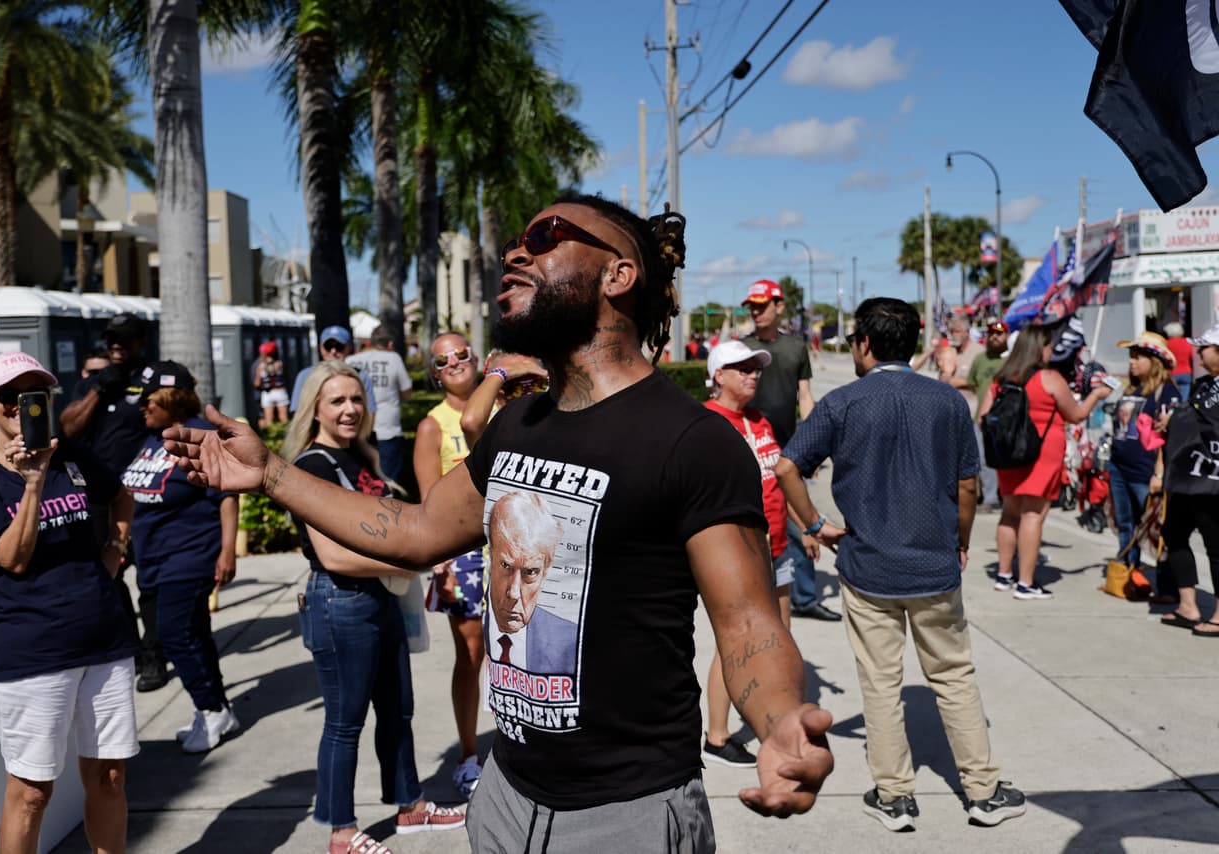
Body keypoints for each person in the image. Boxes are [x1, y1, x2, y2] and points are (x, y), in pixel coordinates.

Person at [164, 194, 834, 851]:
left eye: (546, 236)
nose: (516, 250)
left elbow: (748, 621)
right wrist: (272, 475)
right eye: (518, 239)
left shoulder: (691, 440)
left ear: (617, 274)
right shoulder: (519, 422)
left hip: (627, 814)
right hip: (506, 798)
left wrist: (778, 722)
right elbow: (419, 529)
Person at [777, 297, 1025, 831]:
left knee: (880, 683)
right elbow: (966, 486)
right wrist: (959, 543)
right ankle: (982, 791)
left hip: (868, 568)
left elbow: (786, 466)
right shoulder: (947, 402)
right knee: (955, 675)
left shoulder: (843, 403)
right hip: (934, 563)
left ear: (864, 344)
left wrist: (815, 525)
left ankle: (894, 796)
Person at [0, 352, 139, 853]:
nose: (23, 406)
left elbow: (121, 495)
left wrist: (115, 551)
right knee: (31, 793)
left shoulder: (69, 454)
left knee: (111, 777)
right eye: (11, 397)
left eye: (36, 395)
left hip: (104, 638)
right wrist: (32, 483)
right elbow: (11, 557)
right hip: (33, 652)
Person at [283, 361, 464, 853]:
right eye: (337, 401)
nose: (349, 409)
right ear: (314, 408)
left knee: (397, 709)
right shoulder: (311, 468)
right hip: (340, 603)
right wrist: (413, 563)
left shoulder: (362, 458)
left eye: (356, 399)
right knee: (345, 723)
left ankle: (410, 806)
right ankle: (341, 832)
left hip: (380, 599)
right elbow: (334, 554)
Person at [700, 339, 819, 770]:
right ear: (719, 376)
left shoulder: (759, 420)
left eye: (755, 368)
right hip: (738, 553)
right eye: (742, 368)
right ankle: (716, 735)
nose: (753, 375)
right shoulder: (708, 423)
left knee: (779, 639)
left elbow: (777, 479)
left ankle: (777, 724)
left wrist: (804, 527)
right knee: (735, 646)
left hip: (778, 546)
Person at [123, 361, 241, 753]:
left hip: (190, 555)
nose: (141, 407)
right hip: (156, 559)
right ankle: (220, 708)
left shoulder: (200, 436)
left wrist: (227, 551)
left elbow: (226, 495)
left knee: (174, 634)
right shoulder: (154, 437)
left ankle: (209, 709)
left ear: (171, 398)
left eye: (148, 400)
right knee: (196, 634)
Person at [59, 311, 166, 692]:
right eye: (112, 340)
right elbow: (67, 428)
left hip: (145, 494)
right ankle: (134, 648)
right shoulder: (94, 383)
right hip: (101, 496)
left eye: (125, 340)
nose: (117, 346)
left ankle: (155, 654)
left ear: (140, 342)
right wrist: (98, 388)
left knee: (149, 578)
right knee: (110, 573)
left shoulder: (151, 381)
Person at [412, 331, 490, 799]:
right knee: (472, 655)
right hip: (463, 555)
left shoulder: (504, 406)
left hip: (512, 546)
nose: (455, 362)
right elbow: (429, 504)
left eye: (462, 354)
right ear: (435, 373)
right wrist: (439, 561)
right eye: (444, 360)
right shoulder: (432, 425)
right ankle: (467, 754)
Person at [980, 325, 1112, 599]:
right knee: (1033, 516)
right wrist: (1097, 395)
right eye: (1050, 346)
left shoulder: (1001, 378)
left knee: (1010, 512)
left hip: (1008, 454)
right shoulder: (1049, 378)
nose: (1052, 351)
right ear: (1039, 348)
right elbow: (1075, 414)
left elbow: (983, 415)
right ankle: (1026, 583)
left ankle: (1004, 575)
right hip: (1041, 451)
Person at [741, 279, 838, 623]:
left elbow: (805, 395)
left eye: (762, 305)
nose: (756, 311)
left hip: (787, 449)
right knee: (758, 523)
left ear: (779, 306)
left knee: (799, 522)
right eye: (751, 306)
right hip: (750, 447)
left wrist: (812, 443)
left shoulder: (796, 347)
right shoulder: (743, 348)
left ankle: (805, 597)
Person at [1156, 323, 1219, 634]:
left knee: (1216, 545)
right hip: (1190, 476)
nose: (1198, 353)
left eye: (1204, 348)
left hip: (1214, 482)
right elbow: (1193, 415)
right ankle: (1188, 605)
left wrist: (1178, 417)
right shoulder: (1203, 384)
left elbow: (1208, 424)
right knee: (1174, 532)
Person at [1106, 332, 1181, 576]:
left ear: (1155, 361)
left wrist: (1159, 474)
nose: (1132, 362)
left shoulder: (1166, 392)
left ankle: (1167, 586)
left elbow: (1169, 438)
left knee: (1157, 529)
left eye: (1138, 357)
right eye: (1131, 357)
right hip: (1119, 467)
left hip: (1146, 471)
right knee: (1125, 523)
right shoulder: (1131, 389)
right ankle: (1128, 572)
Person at [485, 490, 576, 673]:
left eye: (530, 573)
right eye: (506, 566)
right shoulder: (484, 623)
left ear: (546, 571)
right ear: (491, 554)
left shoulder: (569, 637)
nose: (513, 593)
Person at [346, 327, 413, 482]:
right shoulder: (394, 358)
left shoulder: (352, 360)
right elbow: (407, 393)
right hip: (387, 428)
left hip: (356, 428)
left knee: (360, 481)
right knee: (388, 481)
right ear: (390, 343)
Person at [291, 326, 377, 424]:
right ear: (320, 348)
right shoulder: (305, 375)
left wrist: (362, 438)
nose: (333, 351)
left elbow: (370, 413)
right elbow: (298, 413)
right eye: (328, 346)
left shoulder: (361, 376)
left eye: (339, 346)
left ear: (349, 348)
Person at [965, 318, 1010, 509]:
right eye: (991, 333)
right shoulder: (980, 360)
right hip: (982, 418)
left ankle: (1007, 497)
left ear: (1006, 336)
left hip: (1007, 419)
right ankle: (991, 498)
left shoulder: (1012, 359)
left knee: (1007, 459)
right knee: (983, 459)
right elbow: (974, 383)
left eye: (999, 334)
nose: (994, 337)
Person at [253, 340, 290, 427]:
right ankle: (285, 436)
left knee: (269, 420)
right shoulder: (280, 364)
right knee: (284, 418)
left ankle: (271, 438)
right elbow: (287, 377)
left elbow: (257, 383)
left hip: (267, 393)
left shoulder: (260, 366)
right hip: (281, 392)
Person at [1163, 321, 1196, 401]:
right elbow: (1192, 357)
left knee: (1171, 397)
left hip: (1172, 374)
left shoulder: (1167, 344)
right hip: (1186, 373)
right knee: (1184, 399)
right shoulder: (1187, 343)